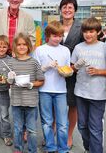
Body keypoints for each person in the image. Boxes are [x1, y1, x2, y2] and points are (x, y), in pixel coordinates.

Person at [71, 17, 106, 153]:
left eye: (91, 32)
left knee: (95, 128)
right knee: (82, 126)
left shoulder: (105, 48)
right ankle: (89, 148)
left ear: (98, 32)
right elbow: (72, 68)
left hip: (97, 95)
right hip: (80, 93)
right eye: (85, 32)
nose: (88, 35)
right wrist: (76, 66)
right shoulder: (78, 47)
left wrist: (98, 71)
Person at [33, 21, 70, 153]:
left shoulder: (65, 50)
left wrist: (66, 72)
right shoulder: (40, 50)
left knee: (63, 124)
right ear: (48, 35)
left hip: (61, 90)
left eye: (60, 36)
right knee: (47, 122)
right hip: (44, 90)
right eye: (54, 36)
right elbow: (35, 71)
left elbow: (68, 68)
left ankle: (63, 149)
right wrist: (46, 66)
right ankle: (50, 147)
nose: (57, 38)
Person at [7, 33, 44, 153]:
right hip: (16, 101)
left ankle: (32, 149)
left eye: (24, 44)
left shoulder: (34, 62)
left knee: (32, 130)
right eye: (19, 45)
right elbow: (9, 82)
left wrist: (32, 84)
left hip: (31, 102)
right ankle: (18, 148)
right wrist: (10, 78)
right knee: (17, 128)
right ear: (15, 46)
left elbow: (41, 80)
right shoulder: (11, 62)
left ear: (28, 46)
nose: (21, 47)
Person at [59, 0, 83, 148]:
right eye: (64, 7)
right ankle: (54, 132)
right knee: (56, 102)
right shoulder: (55, 25)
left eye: (70, 7)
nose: (67, 10)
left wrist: (76, 65)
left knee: (72, 105)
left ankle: (68, 135)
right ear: (60, 9)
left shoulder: (81, 27)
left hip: (75, 71)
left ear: (75, 10)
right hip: (56, 71)